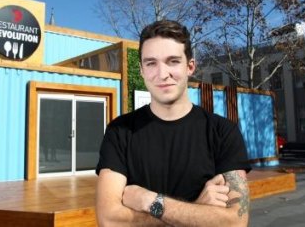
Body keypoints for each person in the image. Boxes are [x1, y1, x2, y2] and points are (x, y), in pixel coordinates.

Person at [95, 20, 251, 226]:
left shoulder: (222, 132)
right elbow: (109, 219)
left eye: (173, 61)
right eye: (151, 63)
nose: (162, 74)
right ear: (141, 70)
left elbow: (235, 222)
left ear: (190, 66)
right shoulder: (120, 131)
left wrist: (149, 201)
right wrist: (199, 208)